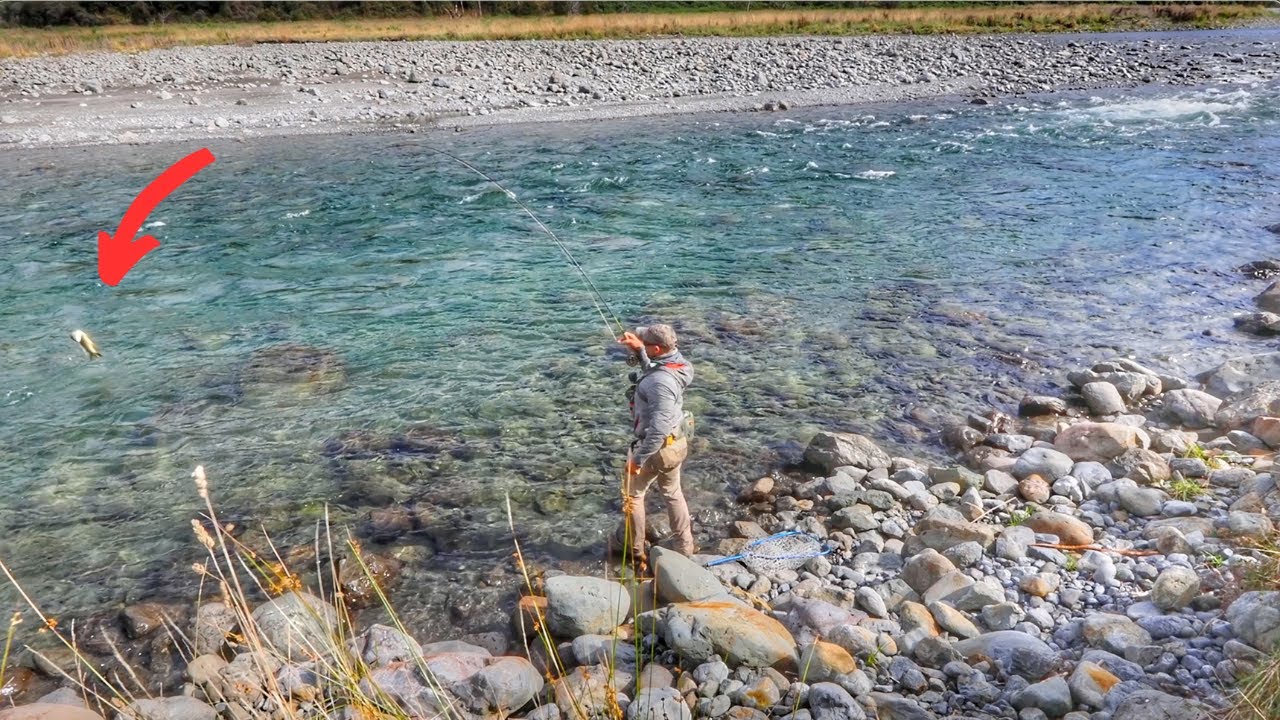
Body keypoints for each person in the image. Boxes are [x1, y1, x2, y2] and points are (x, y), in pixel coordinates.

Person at [618, 323, 696, 567]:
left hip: (658, 449)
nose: (642, 342)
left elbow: (658, 429)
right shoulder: (681, 365)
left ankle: (636, 551)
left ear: (658, 348)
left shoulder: (660, 383)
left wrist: (637, 460)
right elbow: (656, 372)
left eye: (646, 343)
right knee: (672, 493)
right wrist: (640, 351)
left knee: (633, 496)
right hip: (678, 444)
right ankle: (685, 547)